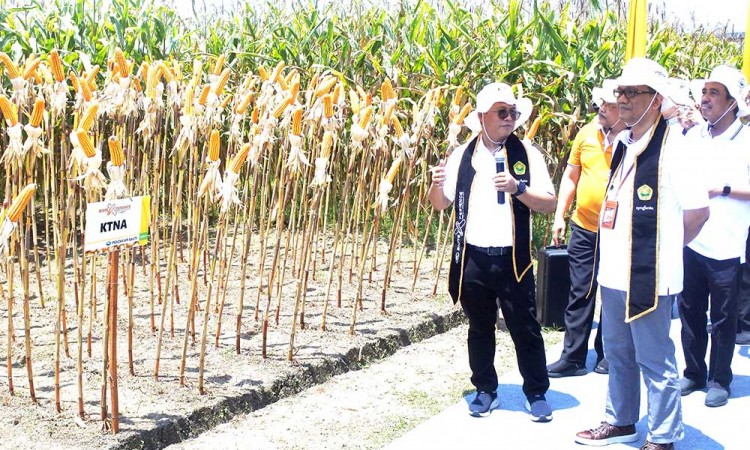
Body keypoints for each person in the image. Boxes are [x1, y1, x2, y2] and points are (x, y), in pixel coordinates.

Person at [575, 58, 709, 450]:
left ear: (656, 100)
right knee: (617, 351)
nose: (624, 99)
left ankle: (664, 435)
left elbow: (699, 213)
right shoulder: (624, 142)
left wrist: (666, 250)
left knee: (655, 359)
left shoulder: (676, 148)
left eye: (633, 92)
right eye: (620, 92)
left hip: (650, 275)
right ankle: (621, 420)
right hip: (614, 273)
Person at [429, 82, 556, 422]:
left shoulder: (527, 154)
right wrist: (436, 183)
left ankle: (536, 392)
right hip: (473, 257)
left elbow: (549, 203)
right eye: (502, 112)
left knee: (525, 327)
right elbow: (440, 204)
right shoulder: (463, 155)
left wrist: (520, 189)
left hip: (512, 258)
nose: (510, 118)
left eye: (513, 113)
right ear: (482, 117)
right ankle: (485, 390)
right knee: (479, 327)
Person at [677, 65, 750, 407]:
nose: (705, 99)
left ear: (733, 102)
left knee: (723, 317)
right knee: (689, 310)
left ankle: (720, 379)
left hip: (727, 246)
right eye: (704, 92)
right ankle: (693, 372)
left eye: (714, 93)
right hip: (691, 239)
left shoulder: (746, 139)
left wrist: (721, 189)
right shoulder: (693, 136)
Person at [547, 79, 625, 378]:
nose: (601, 108)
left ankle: (607, 353)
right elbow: (570, 176)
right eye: (601, 103)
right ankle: (573, 358)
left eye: (609, 105)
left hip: (619, 231)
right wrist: (559, 215)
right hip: (584, 226)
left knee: (613, 291)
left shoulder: (633, 138)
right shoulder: (587, 134)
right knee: (580, 290)